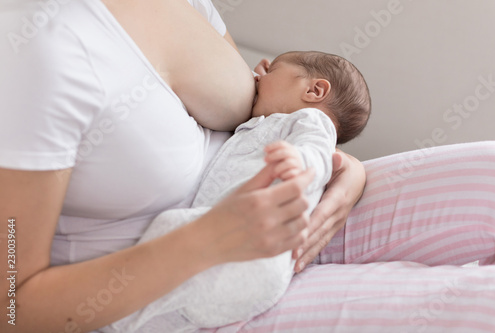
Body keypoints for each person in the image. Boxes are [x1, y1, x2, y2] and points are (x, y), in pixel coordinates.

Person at [1, 1, 495, 333]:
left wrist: (337, 168)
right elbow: (11, 305)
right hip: (197, 288)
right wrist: (205, 240)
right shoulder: (33, 50)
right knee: (485, 303)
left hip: (293, 207)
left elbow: (261, 117)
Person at [101, 50, 371, 332]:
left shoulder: (311, 123)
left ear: (315, 90)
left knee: (169, 234)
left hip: (252, 253)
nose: (260, 69)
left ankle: (110, 318)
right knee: (177, 309)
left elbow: (318, 155)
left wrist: (300, 161)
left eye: (273, 68)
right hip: (241, 263)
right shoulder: (262, 125)